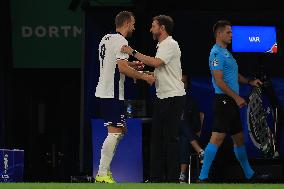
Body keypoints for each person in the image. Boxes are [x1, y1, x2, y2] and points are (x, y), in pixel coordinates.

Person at [121, 15, 186, 182]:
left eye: (153, 26)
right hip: (162, 98)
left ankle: (172, 180)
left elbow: (156, 63)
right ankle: (156, 179)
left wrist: (132, 52)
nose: (151, 29)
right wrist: (140, 74)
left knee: (171, 140)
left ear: (162, 28)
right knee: (156, 140)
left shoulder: (170, 44)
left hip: (173, 98)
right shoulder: (161, 46)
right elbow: (158, 73)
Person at [198, 20, 263, 182]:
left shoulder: (227, 53)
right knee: (217, 139)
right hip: (224, 101)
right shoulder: (215, 53)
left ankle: (250, 175)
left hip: (231, 102)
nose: (231, 35)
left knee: (239, 140)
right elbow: (219, 81)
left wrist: (249, 82)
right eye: (228, 32)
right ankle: (202, 177)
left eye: (231, 32)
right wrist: (237, 97)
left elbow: (235, 75)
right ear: (219, 34)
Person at [94, 11, 155, 183]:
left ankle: (104, 171)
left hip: (106, 91)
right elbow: (121, 69)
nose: (134, 27)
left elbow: (114, 63)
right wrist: (145, 76)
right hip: (111, 93)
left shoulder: (105, 38)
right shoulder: (121, 41)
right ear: (127, 23)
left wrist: (132, 64)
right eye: (133, 23)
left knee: (120, 132)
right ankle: (102, 173)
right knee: (115, 133)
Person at [179, 74, 204, 183]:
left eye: (184, 82)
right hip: (173, 134)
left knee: (185, 138)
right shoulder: (169, 101)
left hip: (189, 135)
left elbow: (197, 125)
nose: (181, 85)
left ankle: (182, 175)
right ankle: (200, 151)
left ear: (187, 84)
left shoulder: (192, 102)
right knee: (181, 122)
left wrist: (186, 124)